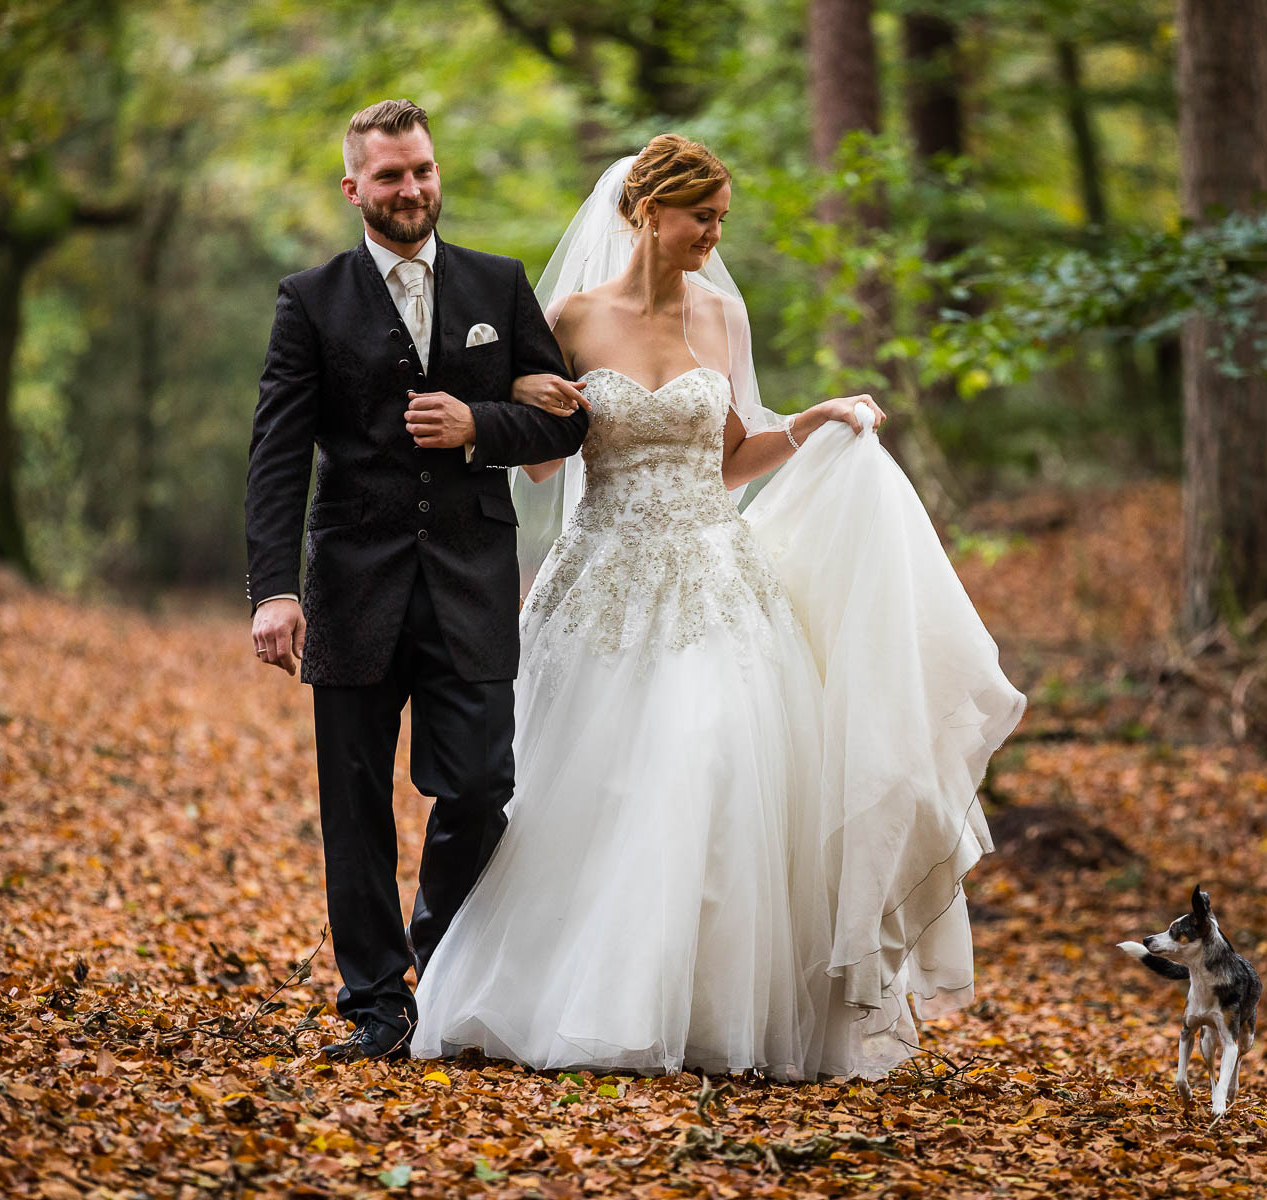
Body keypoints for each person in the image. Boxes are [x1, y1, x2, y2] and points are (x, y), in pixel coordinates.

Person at [409, 135, 1024, 1079]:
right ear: (652, 211)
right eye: (705, 217)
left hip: (713, 578)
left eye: (722, 220)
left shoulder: (720, 316)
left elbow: (732, 458)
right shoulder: (570, 314)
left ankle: (706, 1008)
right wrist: (537, 393)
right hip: (605, 581)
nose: (714, 235)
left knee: (713, 764)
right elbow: (541, 459)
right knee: (599, 789)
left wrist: (812, 423)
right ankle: (589, 1000)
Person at [244, 99, 589, 1063]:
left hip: (472, 581)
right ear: (355, 188)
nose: (412, 189)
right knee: (354, 805)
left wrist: (481, 425)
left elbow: (567, 422)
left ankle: (440, 961)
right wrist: (273, 589)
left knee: (482, 781)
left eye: (424, 171)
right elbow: (277, 455)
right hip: (352, 582)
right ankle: (374, 1004)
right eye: (391, 176)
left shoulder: (498, 283)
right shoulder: (310, 300)